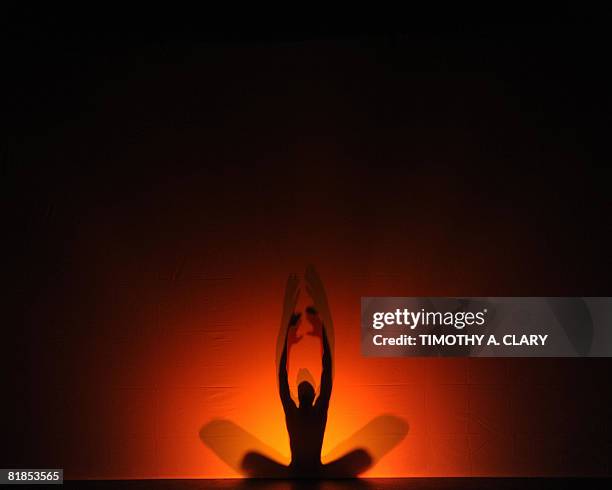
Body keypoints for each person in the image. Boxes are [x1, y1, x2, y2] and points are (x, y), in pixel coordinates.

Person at [242, 267, 371, 478]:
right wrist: (321, 334)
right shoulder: (318, 409)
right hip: (312, 472)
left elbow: (283, 373)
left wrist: (289, 339)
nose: (304, 381)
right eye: (307, 382)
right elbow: (326, 370)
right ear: (312, 393)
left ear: (304, 393)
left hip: (298, 472)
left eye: (303, 383)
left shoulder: (294, 411)